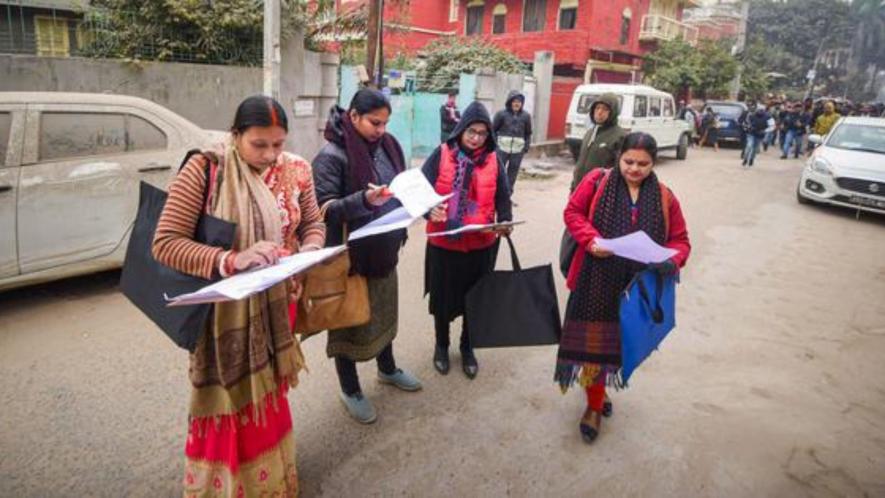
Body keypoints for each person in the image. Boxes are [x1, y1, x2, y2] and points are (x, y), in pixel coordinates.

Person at [152, 95, 326, 497]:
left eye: (278, 144)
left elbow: (313, 223)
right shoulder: (206, 168)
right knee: (230, 403)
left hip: (279, 306)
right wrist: (232, 259)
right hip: (224, 319)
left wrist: (310, 252)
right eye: (258, 145)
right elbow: (165, 243)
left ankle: (274, 481)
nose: (270, 155)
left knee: (270, 396)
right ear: (235, 136)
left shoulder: (297, 169)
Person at [556, 132, 691, 444]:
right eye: (629, 161)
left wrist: (671, 261)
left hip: (635, 289)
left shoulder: (664, 196)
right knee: (593, 346)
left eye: (643, 164)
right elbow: (572, 213)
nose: (634, 169)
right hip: (594, 280)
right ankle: (593, 405)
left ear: (653, 163)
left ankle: (598, 391)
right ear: (618, 157)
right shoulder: (596, 181)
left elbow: (680, 241)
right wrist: (591, 240)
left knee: (617, 345)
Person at [312, 88, 422, 425]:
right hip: (351, 260)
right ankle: (351, 389)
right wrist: (364, 200)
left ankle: (387, 369)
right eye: (375, 122)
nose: (381, 130)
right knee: (349, 324)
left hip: (385, 251)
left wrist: (424, 207)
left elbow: (400, 192)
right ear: (354, 116)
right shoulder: (332, 155)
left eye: (386, 123)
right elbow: (322, 209)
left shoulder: (387, 147)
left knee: (384, 316)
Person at [422, 101, 513, 379]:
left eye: (482, 133)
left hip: (481, 244)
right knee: (443, 298)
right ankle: (441, 345)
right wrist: (429, 209)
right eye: (471, 132)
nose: (476, 138)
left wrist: (506, 221)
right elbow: (421, 190)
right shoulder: (442, 154)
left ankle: (468, 347)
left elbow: (503, 198)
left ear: (489, 135)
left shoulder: (495, 160)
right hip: (444, 244)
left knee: (475, 299)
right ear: (461, 130)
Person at [572, 93, 627, 191]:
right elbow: (580, 163)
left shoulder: (620, 136)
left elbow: (620, 170)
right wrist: (573, 188)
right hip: (579, 191)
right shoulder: (589, 133)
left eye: (605, 109)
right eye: (597, 108)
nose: (599, 112)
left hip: (600, 193)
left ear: (613, 112)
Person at [493, 90, 533, 194]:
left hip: (518, 150)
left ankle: (507, 197)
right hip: (501, 149)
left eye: (519, 101)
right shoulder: (501, 114)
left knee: (512, 175)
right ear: (510, 102)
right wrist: (494, 145)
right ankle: (495, 195)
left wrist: (526, 147)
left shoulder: (526, 116)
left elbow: (528, 133)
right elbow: (493, 130)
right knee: (499, 172)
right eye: (514, 101)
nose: (517, 103)